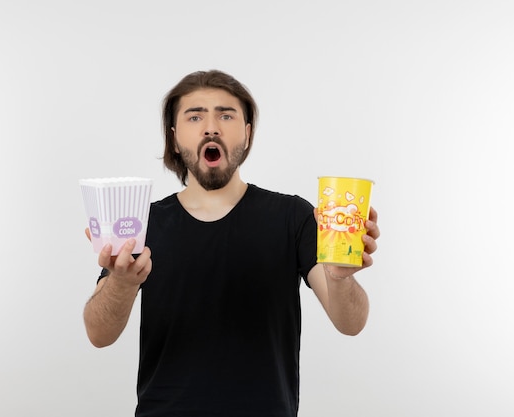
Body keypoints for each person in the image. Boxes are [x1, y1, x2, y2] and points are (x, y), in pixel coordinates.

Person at [83, 69, 380, 417]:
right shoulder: (143, 222)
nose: (211, 127)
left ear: (248, 132)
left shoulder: (294, 216)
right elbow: (98, 334)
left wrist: (341, 278)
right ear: (175, 136)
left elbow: (351, 323)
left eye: (226, 114)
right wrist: (120, 282)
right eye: (195, 116)